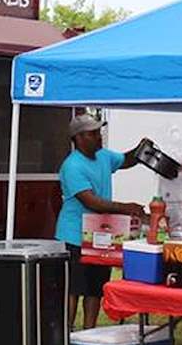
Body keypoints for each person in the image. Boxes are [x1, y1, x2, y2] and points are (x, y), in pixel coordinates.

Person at [55, 114, 146, 330]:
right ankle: (66, 333)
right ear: (78, 138)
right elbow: (91, 202)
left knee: (95, 288)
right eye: (93, 133)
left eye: (99, 132)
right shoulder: (72, 166)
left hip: (99, 236)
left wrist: (142, 149)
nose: (99, 137)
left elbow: (126, 159)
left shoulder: (103, 156)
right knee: (73, 289)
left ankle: (89, 332)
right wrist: (127, 208)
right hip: (74, 235)